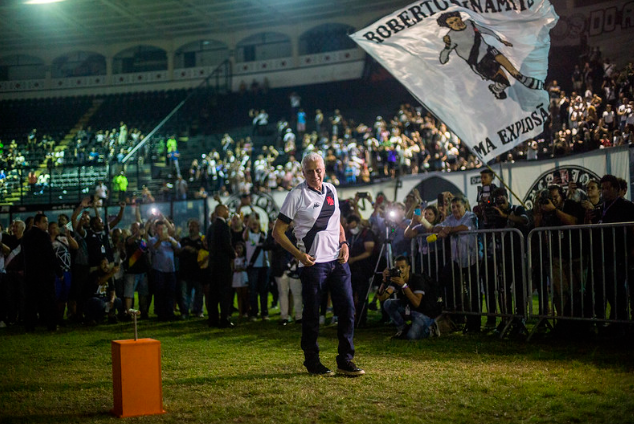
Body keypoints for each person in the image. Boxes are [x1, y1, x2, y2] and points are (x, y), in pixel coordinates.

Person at [273, 152, 364, 377]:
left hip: (338, 261)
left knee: (347, 310)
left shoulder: (331, 189)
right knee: (312, 315)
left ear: (324, 169)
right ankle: (312, 361)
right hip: (313, 264)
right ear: (303, 173)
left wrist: (344, 243)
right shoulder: (296, 194)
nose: (315, 174)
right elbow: (277, 232)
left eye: (319, 169)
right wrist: (299, 256)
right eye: (310, 171)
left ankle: (345, 360)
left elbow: (337, 223)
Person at [437, 11, 544, 100]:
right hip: (480, 63)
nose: (456, 23)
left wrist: (500, 40)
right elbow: (442, 60)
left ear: (460, 18)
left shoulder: (470, 23)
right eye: (451, 23)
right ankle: (496, 88)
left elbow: (485, 30)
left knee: (515, 72)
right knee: (505, 82)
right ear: (448, 26)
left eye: (456, 19)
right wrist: (447, 47)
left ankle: (532, 87)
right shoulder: (451, 37)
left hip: (490, 51)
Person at [432, 196, 481, 333]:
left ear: (464, 206)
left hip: (472, 259)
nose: (455, 209)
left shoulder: (470, 216)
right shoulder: (450, 219)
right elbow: (438, 227)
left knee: (474, 292)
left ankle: (475, 324)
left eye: (457, 206)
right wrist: (440, 229)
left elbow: (465, 227)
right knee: (452, 285)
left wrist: (448, 230)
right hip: (457, 260)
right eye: (453, 207)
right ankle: (459, 318)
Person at [378, 255, 442, 340]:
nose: (400, 270)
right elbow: (382, 297)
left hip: (425, 312)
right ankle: (402, 329)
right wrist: (384, 281)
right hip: (410, 310)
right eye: (397, 267)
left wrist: (404, 285)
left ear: (408, 268)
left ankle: (431, 329)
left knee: (411, 336)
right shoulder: (397, 279)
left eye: (402, 267)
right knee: (388, 303)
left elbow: (417, 303)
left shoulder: (417, 279)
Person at [22, 213, 58, 332]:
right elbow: (50, 256)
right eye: (44, 222)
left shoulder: (27, 236)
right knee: (48, 300)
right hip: (45, 274)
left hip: (31, 274)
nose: (47, 224)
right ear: (37, 223)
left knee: (31, 301)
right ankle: (51, 325)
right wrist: (59, 271)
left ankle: (30, 326)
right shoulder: (44, 236)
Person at [208, 204, 236, 328]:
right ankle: (224, 318)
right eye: (226, 209)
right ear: (221, 211)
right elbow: (226, 244)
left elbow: (208, 243)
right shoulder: (224, 226)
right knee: (225, 292)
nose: (228, 211)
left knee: (213, 294)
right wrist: (233, 254)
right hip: (223, 264)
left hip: (213, 264)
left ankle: (213, 319)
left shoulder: (211, 227)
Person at [148, 220, 180, 321]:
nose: (161, 231)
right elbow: (153, 249)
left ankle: (169, 312)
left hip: (170, 270)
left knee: (170, 292)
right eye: (159, 229)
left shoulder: (169, 239)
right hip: (159, 270)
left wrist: (170, 240)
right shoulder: (153, 240)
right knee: (160, 292)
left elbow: (178, 246)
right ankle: (161, 313)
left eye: (163, 229)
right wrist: (160, 240)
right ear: (156, 230)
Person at [243, 215, 270, 321]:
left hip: (264, 265)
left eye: (256, 223)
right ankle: (254, 313)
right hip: (253, 265)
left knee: (264, 290)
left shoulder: (263, 234)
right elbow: (244, 237)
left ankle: (264, 313)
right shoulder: (248, 234)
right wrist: (247, 226)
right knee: (253, 290)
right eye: (252, 223)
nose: (254, 225)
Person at [232, 242, 249, 319]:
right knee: (239, 295)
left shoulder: (245, 258)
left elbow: (246, 267)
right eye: (237, 248)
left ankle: (247, 311)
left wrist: (240, 269)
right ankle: (240, 312)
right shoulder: (234, 259)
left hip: (243, 276)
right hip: (236, 277)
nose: (238, 250)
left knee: (245, 295)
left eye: (240, 248)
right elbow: (233, 268)